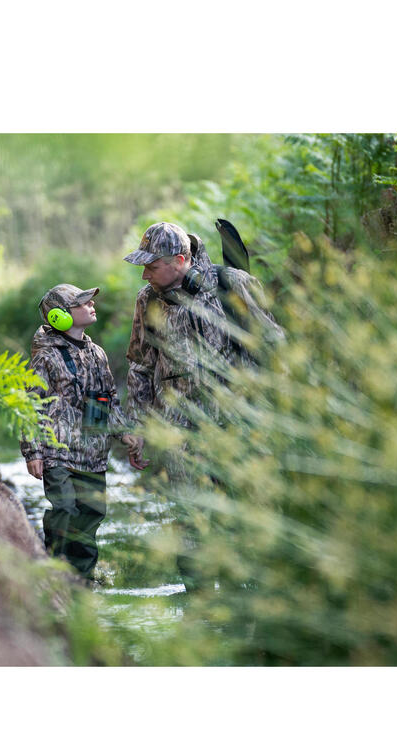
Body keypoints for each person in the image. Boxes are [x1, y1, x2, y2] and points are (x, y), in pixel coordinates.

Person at [123, 221, 283, 588]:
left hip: (239, 427)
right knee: (189, 519)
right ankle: (199, 609)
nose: (144, 273)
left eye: (152, 265)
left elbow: (274, 344)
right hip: (178, 431)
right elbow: (140, 365)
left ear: (180, 260)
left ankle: (251, 601)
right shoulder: (147, 300)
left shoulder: (232, 284)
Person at [20, 283, 142, 579]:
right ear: (60, 316)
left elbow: (107, 401)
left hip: (93, 454)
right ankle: (55, 571)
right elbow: (29, 405)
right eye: (83, 303)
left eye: (90, 301)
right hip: (57, 452)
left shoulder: (97, 353)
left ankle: (83, 582)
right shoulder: (46, 356)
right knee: (64, 509)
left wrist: (123, 433)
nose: (92, 305)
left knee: (91, 515)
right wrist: (33, 451)